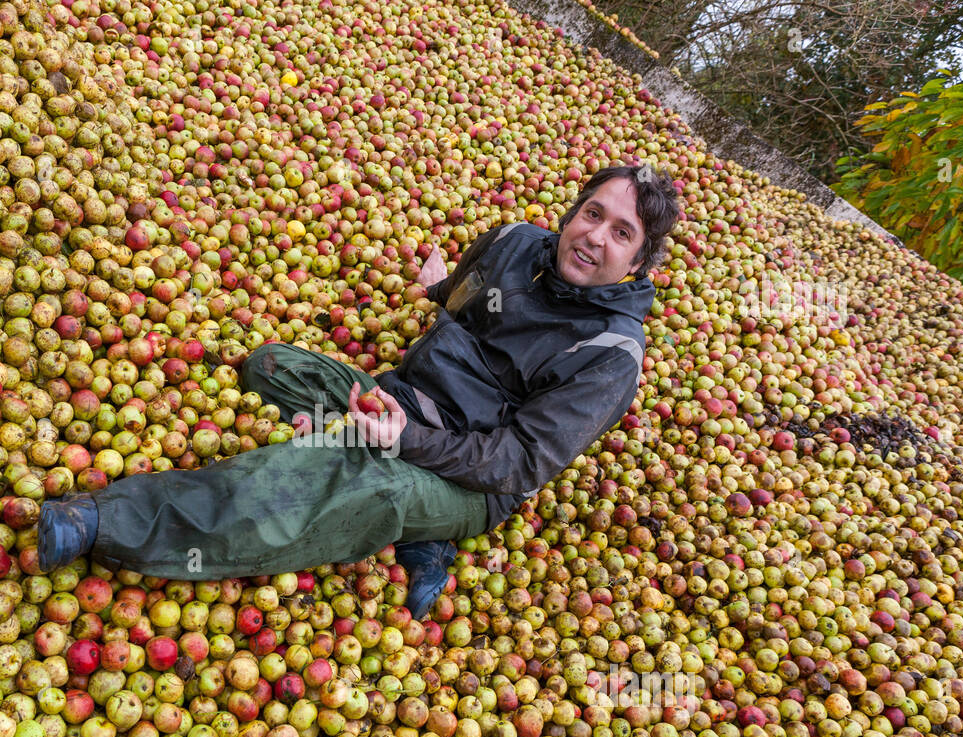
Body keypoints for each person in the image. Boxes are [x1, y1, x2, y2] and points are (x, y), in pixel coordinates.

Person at [37, 163, 682, 618]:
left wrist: (404, 441)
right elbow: (463, 298)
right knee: (271, 369)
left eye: (621, 232)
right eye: (592, 213)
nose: (595, 236)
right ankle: (412, 529)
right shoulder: (516, 243)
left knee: (357, 475)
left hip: (470, 480)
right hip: (397, 398)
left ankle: (107, 522)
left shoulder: (610, 355)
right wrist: (432, 294)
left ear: (641, 262)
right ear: (574, 211)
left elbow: (517, 463)